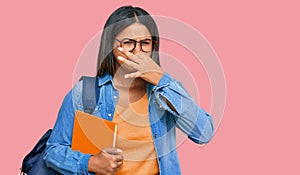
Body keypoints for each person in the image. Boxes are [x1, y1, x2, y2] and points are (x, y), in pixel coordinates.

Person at [43, 5, 214, 175]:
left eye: (145, 43)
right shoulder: (85, 93)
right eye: (129, 43)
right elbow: (53, 150)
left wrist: (161, 79)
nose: (138, 52)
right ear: (111, 45)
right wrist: (91, 163)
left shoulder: (165, 92)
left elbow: (204, 133)